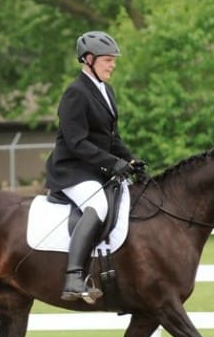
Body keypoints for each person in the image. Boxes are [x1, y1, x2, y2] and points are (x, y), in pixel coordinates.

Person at [45, 31, 144, 301]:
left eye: (113, 61)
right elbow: (77, 143)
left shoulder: (106, 90)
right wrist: (114, 164)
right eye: (107, 60)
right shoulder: (75, 93)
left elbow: (112, 138)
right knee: (98, 205)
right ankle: (73, 277)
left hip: (95, 169)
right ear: (88, 59)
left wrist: (131, 160)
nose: (112, 65)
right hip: (72, 170)